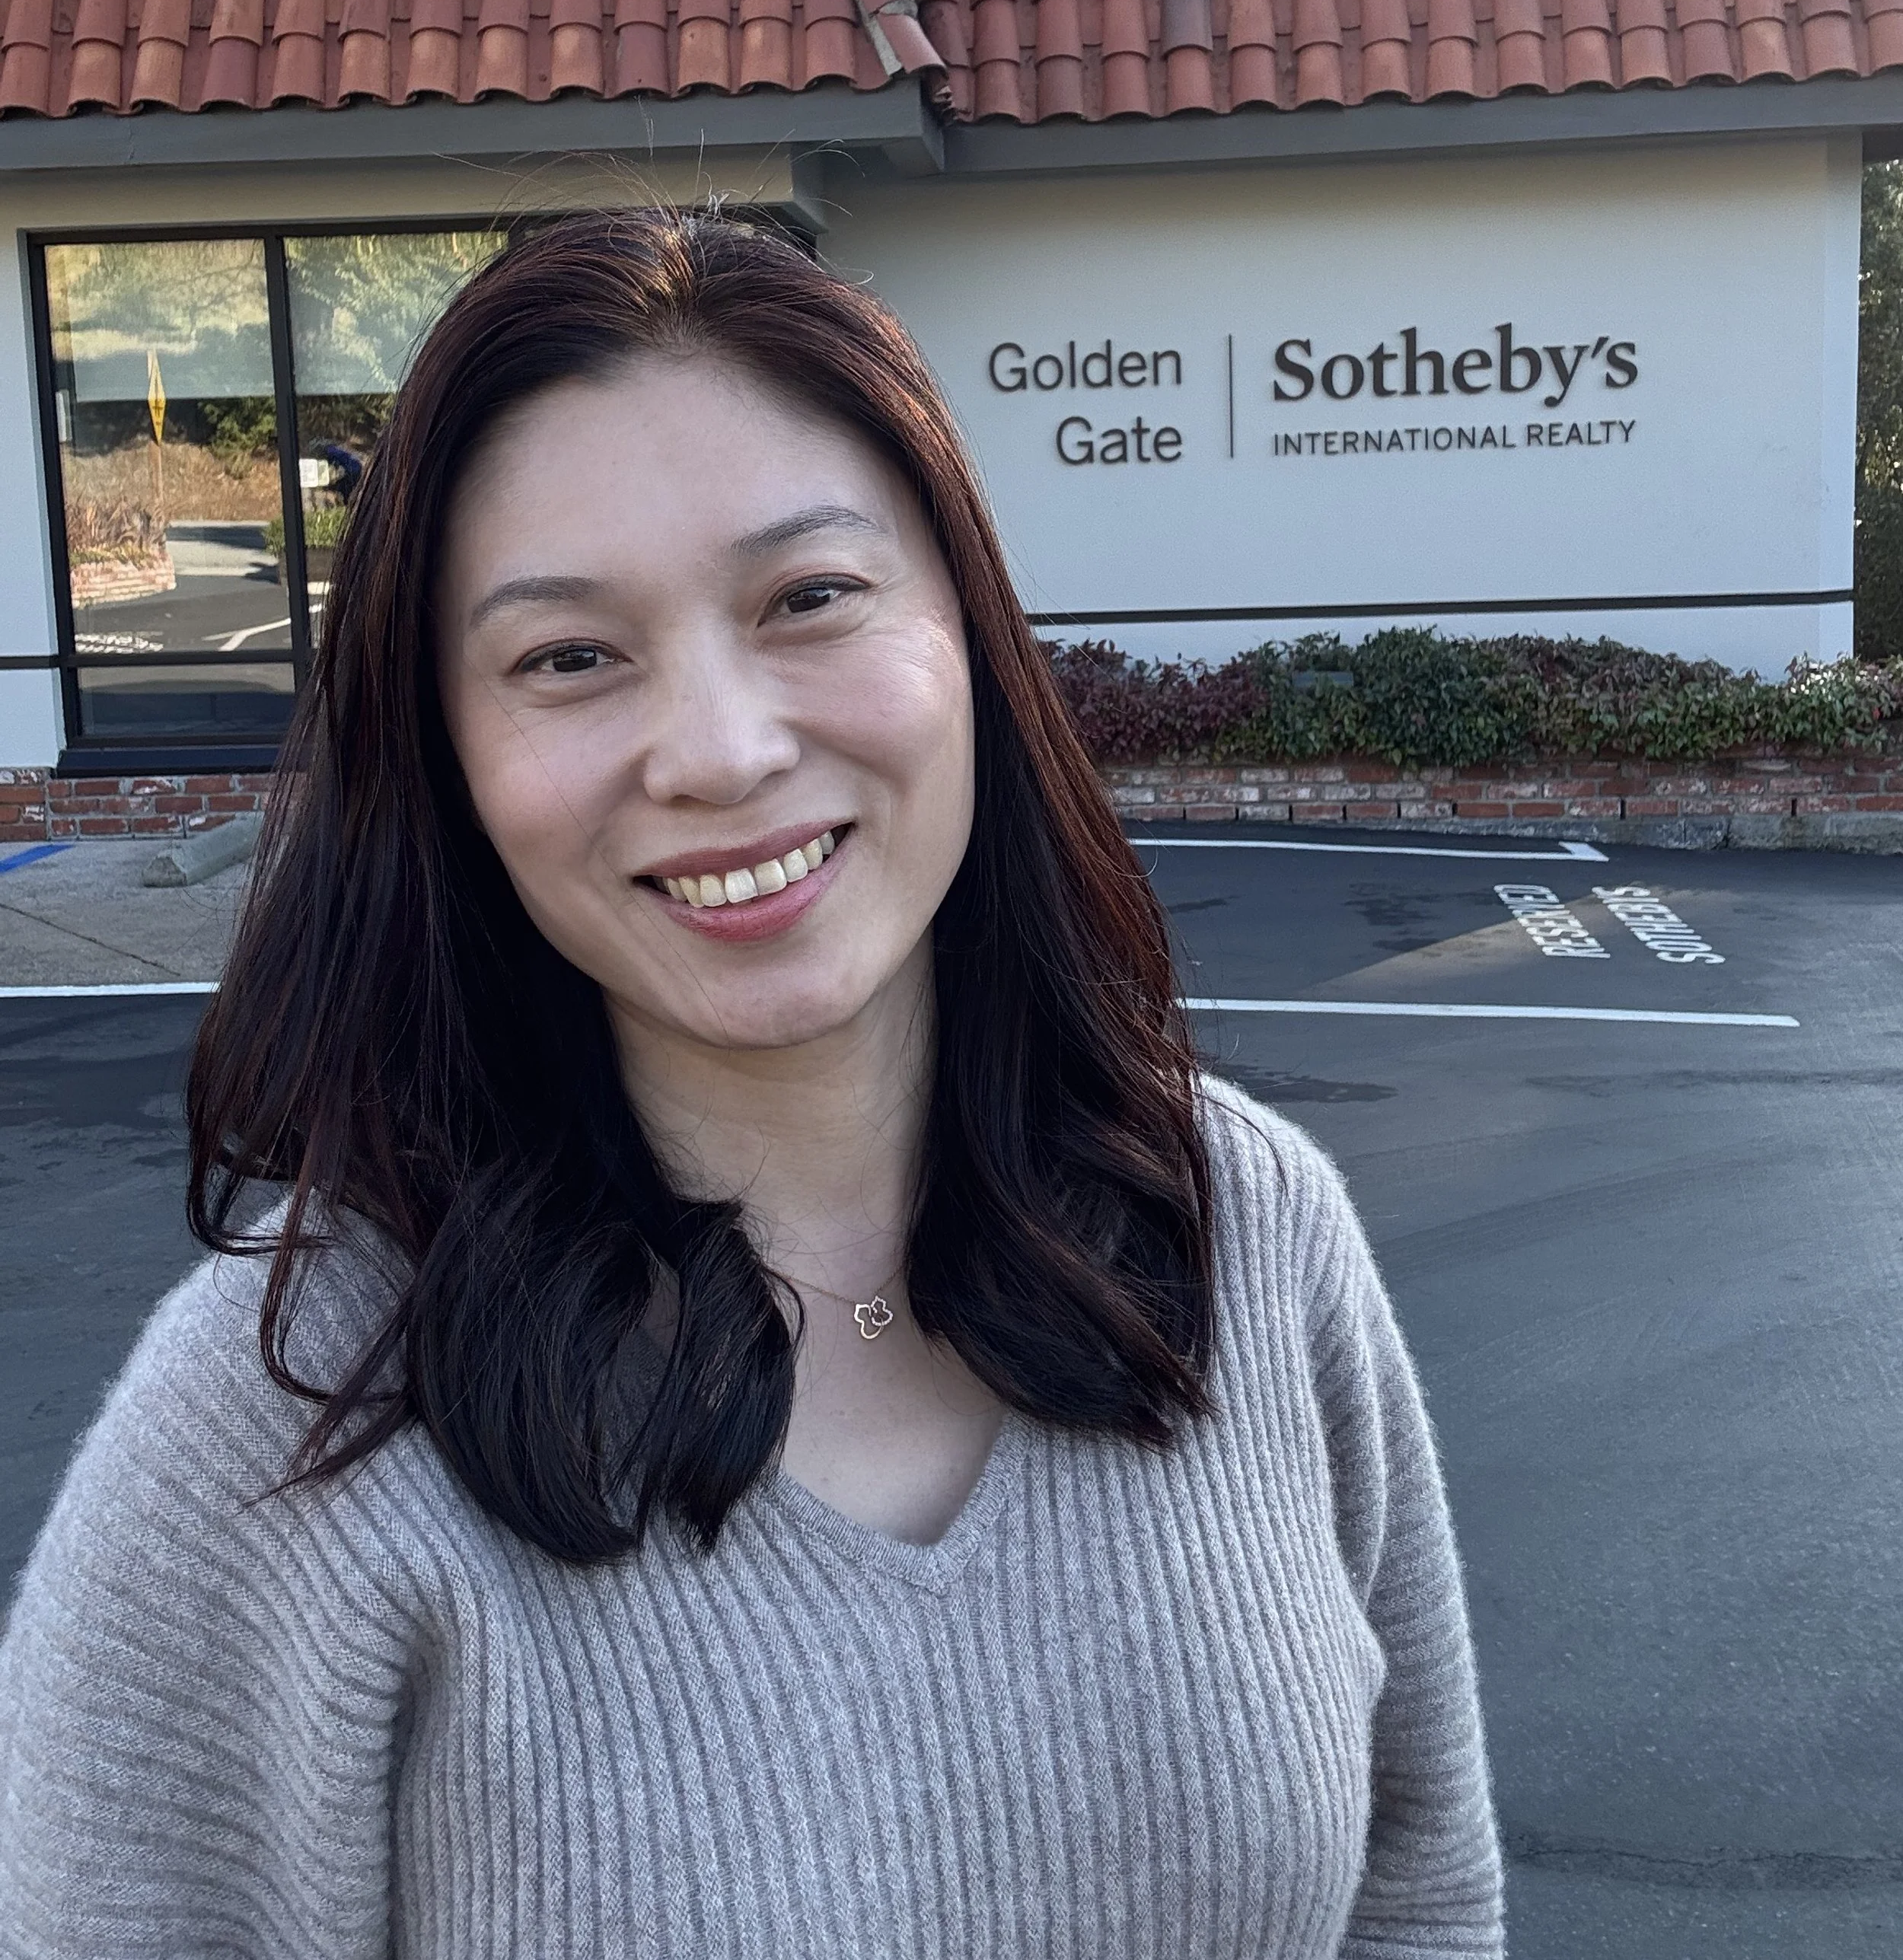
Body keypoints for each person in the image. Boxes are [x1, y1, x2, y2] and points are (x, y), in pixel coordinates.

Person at [0, 209, 1504, 1958]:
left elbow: (1421, 1900)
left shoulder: (1242, 1232)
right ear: (447, 754)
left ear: (969, 638)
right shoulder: (289, 1417)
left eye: (807, 598)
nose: (719, 749)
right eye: (567, 655)